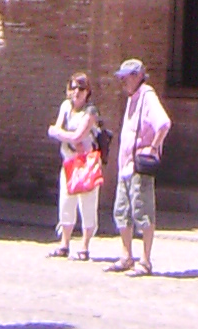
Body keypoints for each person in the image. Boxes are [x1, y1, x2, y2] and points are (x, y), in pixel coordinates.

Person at [108, 57, 169, 276]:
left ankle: (145, 260)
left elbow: (163, 123)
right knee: (122, 211)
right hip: (125, 167)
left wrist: (152, 148)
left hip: (138, 167)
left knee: (143, 212)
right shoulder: (133, 97)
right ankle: (126, 256)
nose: (122, 81)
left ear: (137, 76)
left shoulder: (147, 96)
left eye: (125, 77)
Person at [47, 73, 104, 259]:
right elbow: (54, 130)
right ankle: (64, 244)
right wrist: (64, 134)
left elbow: (76, 136)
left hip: (87, 164)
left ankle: (84, 247)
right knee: (66, 202)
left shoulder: (91, 112)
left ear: (88, 92)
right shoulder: (65, 107)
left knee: (87, 204)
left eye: (81, 88)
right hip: (69, 161)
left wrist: (60, 133)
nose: (77, 92)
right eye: (73, 88)